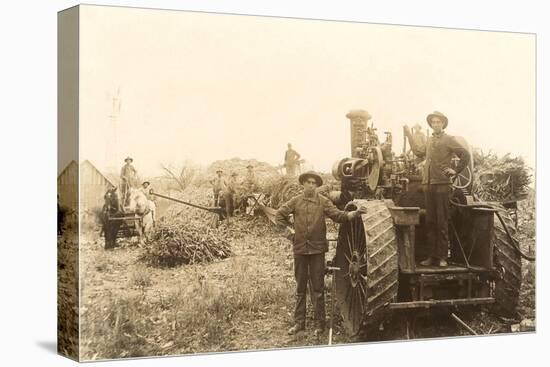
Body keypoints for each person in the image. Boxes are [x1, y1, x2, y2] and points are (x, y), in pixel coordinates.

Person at [275, 171, 366, 337]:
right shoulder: (295, 201)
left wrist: (354, 214)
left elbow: (338, 216)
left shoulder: (323, 202)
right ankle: (299, 323)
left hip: (317, 251)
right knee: (300, 288)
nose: (311, 185)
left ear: (317, 186)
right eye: (308, 182)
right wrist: (291, 234)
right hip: (300, 250)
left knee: (318, 288)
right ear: (303, 184)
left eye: (313, 183)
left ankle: (320, 324)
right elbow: (279, 216)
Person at [404, 111, 471, 267]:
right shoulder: (429, 141)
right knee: (430, 222)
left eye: (438, 122)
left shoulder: (449, 140)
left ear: (443, 124)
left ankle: (442, 257)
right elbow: (418, 152)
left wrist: (455, 171)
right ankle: (431, 256)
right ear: (431, 125)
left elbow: (465, 154)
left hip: (442, 185)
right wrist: (408, 134)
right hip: (428, 185)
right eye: (433, 122)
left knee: (442, 222)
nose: (435, 124)